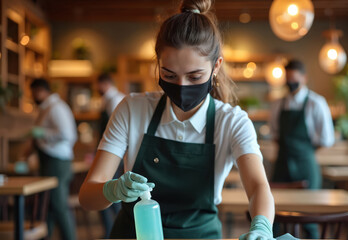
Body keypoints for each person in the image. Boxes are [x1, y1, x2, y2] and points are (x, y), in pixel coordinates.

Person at [79, 0, 275, 239]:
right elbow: (88, 197)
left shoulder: (232, 122)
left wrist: (262, 227)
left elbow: (258, 187)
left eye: (195, 76)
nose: (181, 86)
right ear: (158, 64)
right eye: (169, 75)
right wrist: (113, 190)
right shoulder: (132, 109)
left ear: (216, 66)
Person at [269, 59, 335, 238]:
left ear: (304, 78)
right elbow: (275, 134)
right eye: (287, 79)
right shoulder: (278, 104)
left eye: (294, 79)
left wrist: (305, 151)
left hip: (306, 165)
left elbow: (327, 139)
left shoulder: (316, 103)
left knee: (309, 219)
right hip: (282, 165)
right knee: (273, 216)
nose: (290, 83)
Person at [27, 78, 77, 240]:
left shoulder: (56, 108)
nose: (32, 96)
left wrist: (43, 134)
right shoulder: (46, 108)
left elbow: (68, 135)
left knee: (58, 205)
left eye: (34, 92)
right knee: (47, 205)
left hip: (57, 162)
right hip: (49, 161)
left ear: (41, 90)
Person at [96, 73, 126, 237]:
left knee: (111, 194)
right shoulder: (107, 100)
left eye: (98, 85)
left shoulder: (115, 100)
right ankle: (111, 231)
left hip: (115, 153)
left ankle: (114, 232)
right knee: (107, 192)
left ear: (105, 84)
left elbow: (117, 133)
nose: (97, 89)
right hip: (110, 151)